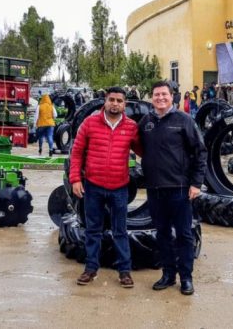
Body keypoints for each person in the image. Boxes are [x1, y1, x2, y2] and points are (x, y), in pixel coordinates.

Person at [138, 81, 207, 296]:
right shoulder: (146, 122)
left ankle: (186, 278)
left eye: (164, 94)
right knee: (162, 234)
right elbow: (137, 146)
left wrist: (196, 183)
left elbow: (200, 152)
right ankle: (168, 275)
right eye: (156, 94)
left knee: (184, 235)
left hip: (179, 189)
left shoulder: (184, 120)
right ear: (152, 98)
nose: (160, 98)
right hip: (155, 189)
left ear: (171, 97)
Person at [69, 87, 141, 286]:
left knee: (120, 230)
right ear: (105, 101)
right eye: (112, 99)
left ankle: (124, 271)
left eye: (119, 100)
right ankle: (90, 269)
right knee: (93, 230)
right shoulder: (90, 123)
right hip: (93, 187)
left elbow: (145, 151)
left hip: (120, 188)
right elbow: (76, 153)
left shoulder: (131, 127)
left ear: (124, 104)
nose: (115, 104)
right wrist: (75, 179)